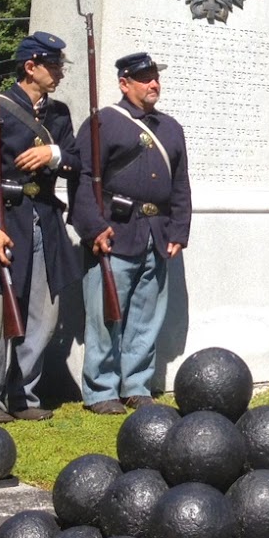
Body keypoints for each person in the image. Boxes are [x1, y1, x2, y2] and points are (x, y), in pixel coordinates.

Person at [0, 32, 82, 423]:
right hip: (5, 218)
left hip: (44, 217)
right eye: (53, 65)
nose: (59, 72)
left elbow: (78, 160)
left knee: (44, 314)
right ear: (30, 67)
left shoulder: (59, 115)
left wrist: (54, 153)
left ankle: (23, 396)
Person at [71, 52, 192, 414]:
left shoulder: (170, 128)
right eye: (145, 78)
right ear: (125, 83)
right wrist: (93, 227)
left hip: (156, 233)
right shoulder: (103, 122)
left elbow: (180, 185)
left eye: (155, 76)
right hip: (115, 231)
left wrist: (179, 230)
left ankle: (135, 384)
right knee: (106, 313)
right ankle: (100, 389)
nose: (154, 83)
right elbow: (82, 180)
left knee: (146, 315)